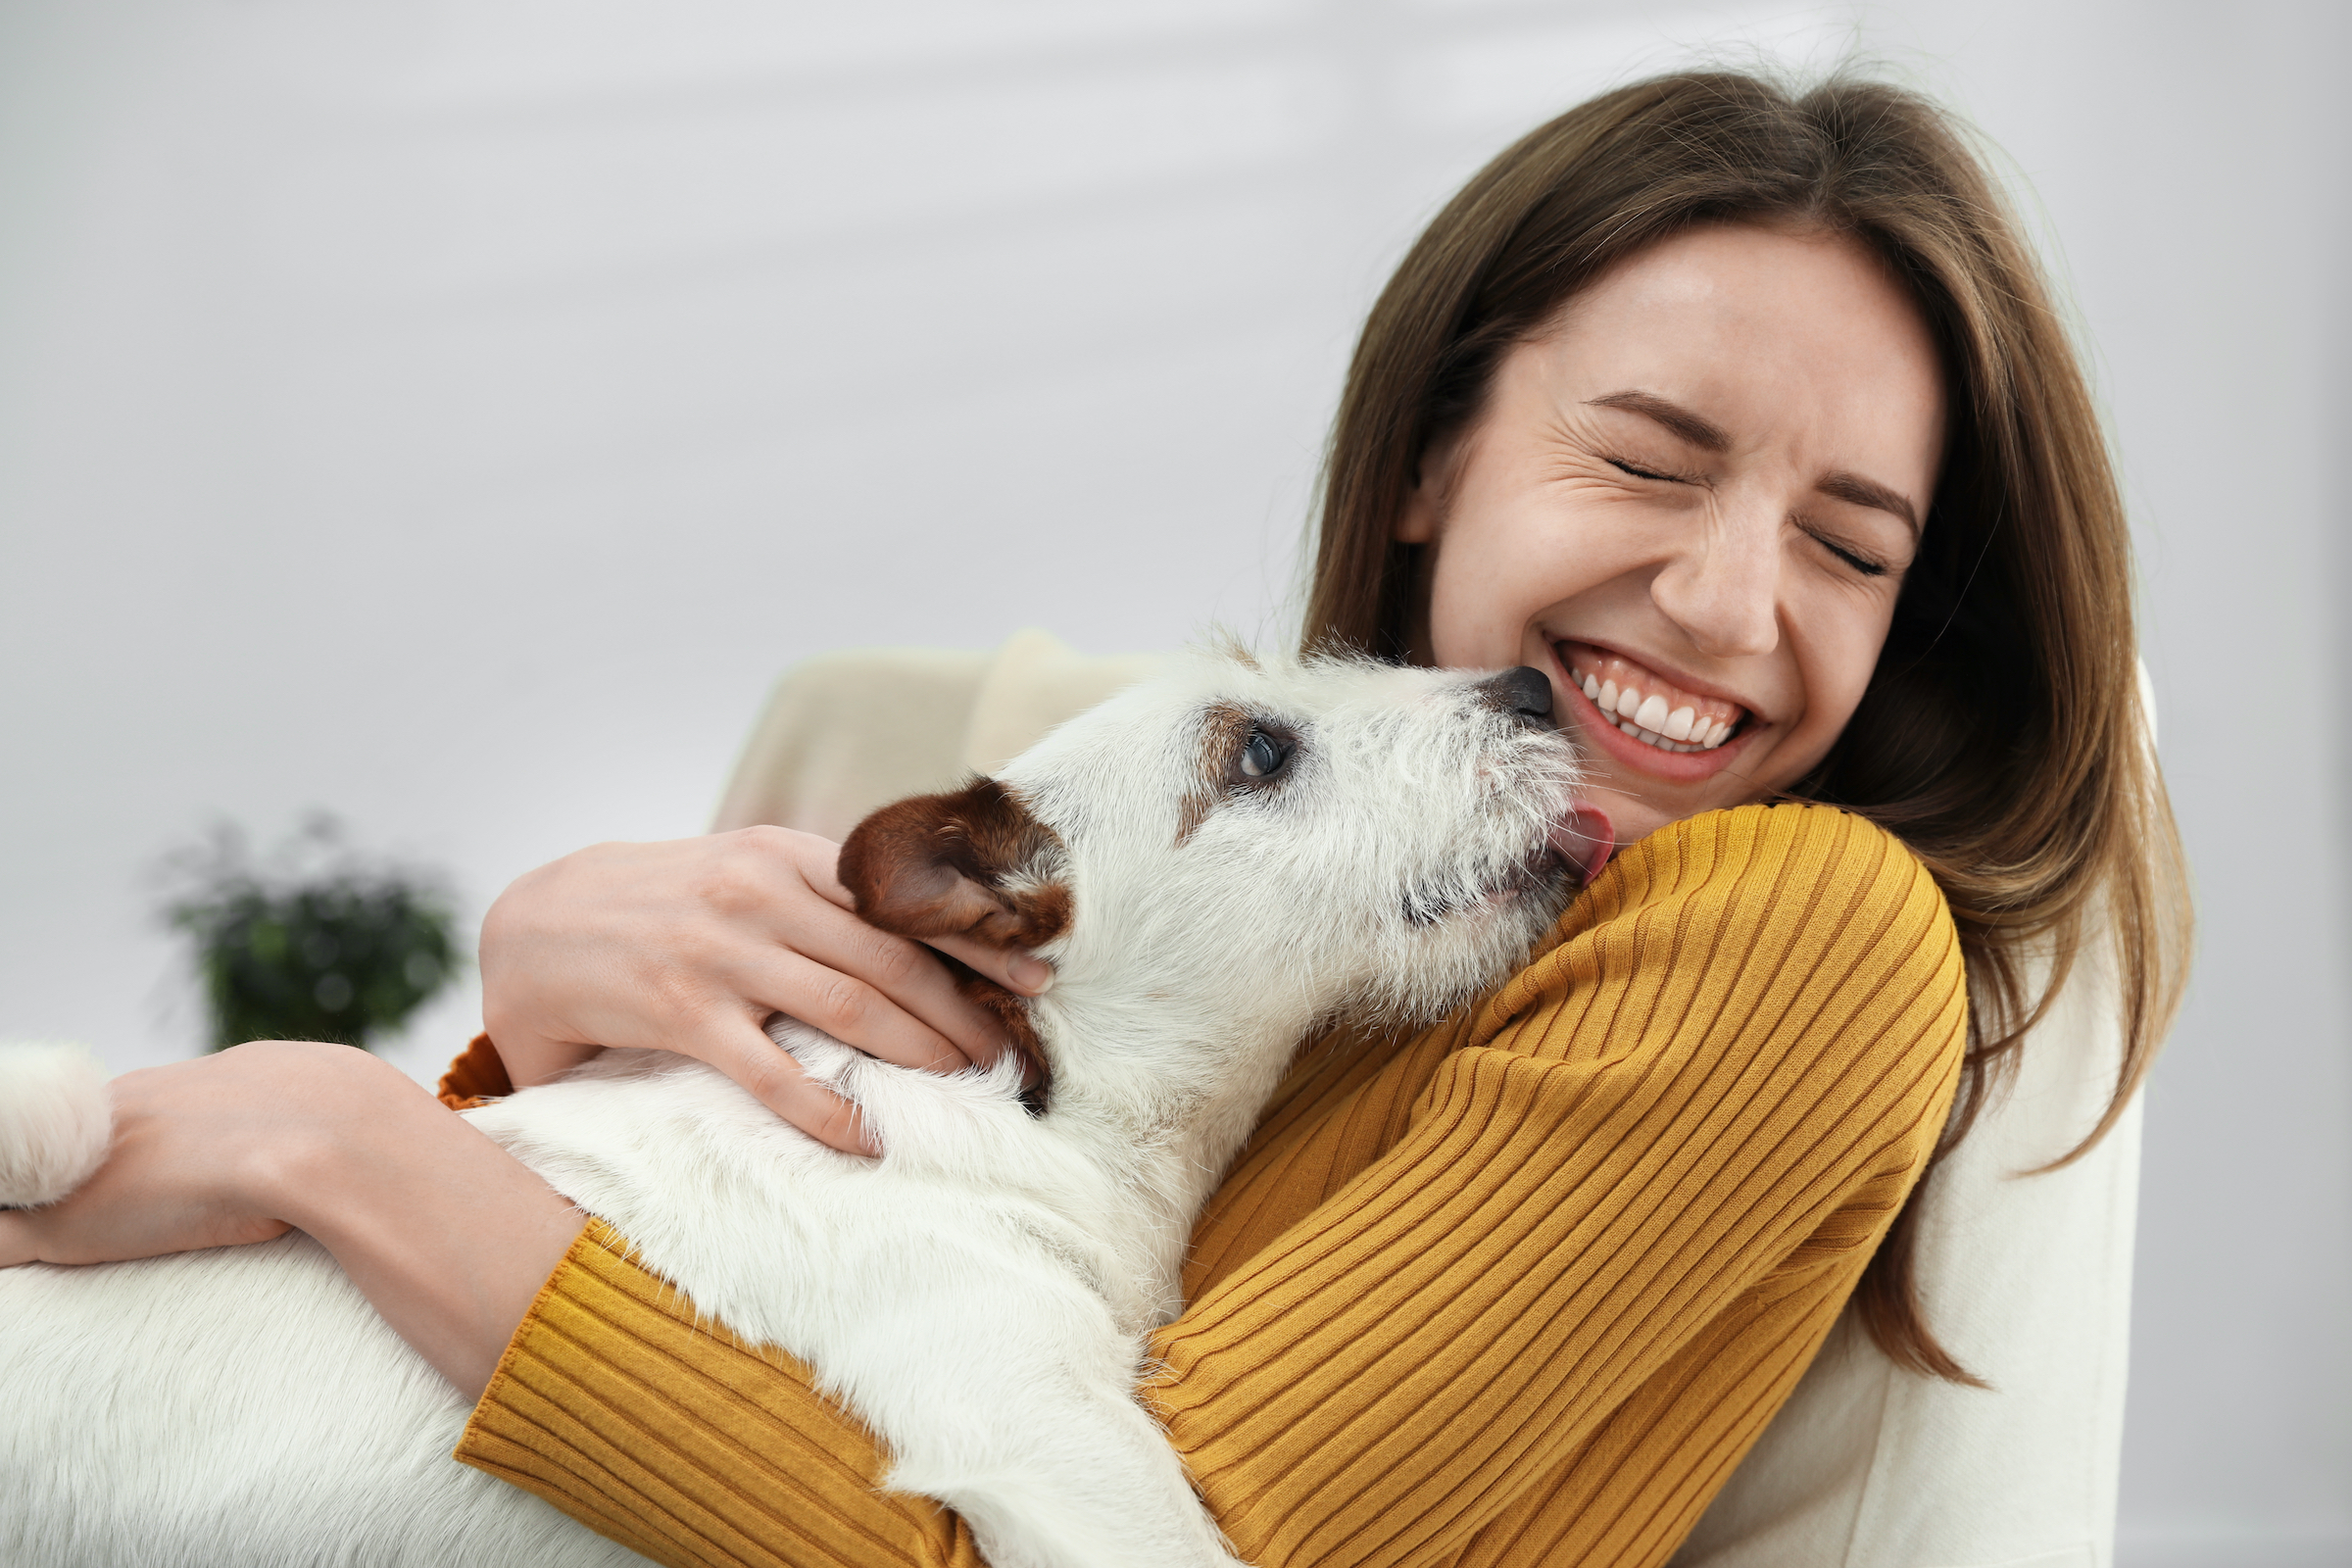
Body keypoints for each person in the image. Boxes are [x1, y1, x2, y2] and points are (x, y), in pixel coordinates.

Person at [0, 70, 2187, 1568]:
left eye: (1851, 539)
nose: (1725, 602)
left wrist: (346, 1143)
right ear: (1433, 448)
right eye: (1646, 454)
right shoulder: (1313, 931)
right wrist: (528, 1048)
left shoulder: (1788, 934)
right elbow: (751, 1309)